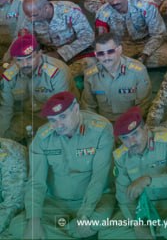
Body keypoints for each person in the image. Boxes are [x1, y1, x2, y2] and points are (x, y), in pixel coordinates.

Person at [26, 92, 115, 240]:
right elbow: (36, 182)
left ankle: (64, 232)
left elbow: (99, 178)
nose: (58, 125)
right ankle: (71, 231)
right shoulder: (42, 138)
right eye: (52, 120)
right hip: (57, 202)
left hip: (96, 200)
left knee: (95, 221)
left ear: (76, 109)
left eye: (63, 116)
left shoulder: (100, 130)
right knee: (19, 225)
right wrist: (33, 220)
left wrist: (85, 214)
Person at [105, 107, 167, 240]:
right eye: (125, 138)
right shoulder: (121, 156)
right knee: (107, 234)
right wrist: (136, 223)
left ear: (146, 129)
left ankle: (160, 232)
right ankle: (157, 232)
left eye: (135, 134)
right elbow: (123, 196)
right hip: (143, 209)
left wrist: (148, 180)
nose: (131, 142)